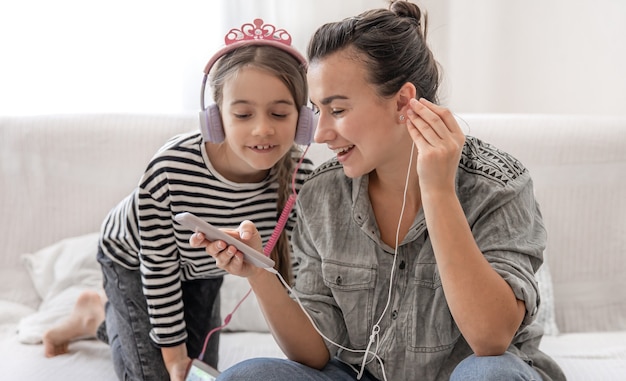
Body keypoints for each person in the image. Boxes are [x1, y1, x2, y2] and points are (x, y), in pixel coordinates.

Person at [189, 1, 567, 380]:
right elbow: (315, 353)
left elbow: (491, 339)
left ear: (403, 101)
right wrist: (258, 272)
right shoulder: (322, 193)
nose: (320, 134)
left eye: (337, 110)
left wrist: (438, 191)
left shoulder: (498, 185)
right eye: (318, 111)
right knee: (248, 376)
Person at [41, 18, 315, 381]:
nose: (263, 128)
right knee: (162, 374)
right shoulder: (171, 168)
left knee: (200, 373)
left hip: (202, 269)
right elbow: (159, 266)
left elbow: (295, 271)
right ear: (215, 118)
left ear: (303, 119)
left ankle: (98, 317)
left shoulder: (301, 176)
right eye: (243, 114)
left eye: (279, 114)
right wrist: (172, 357)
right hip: (137, 262)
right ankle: (97, 312)